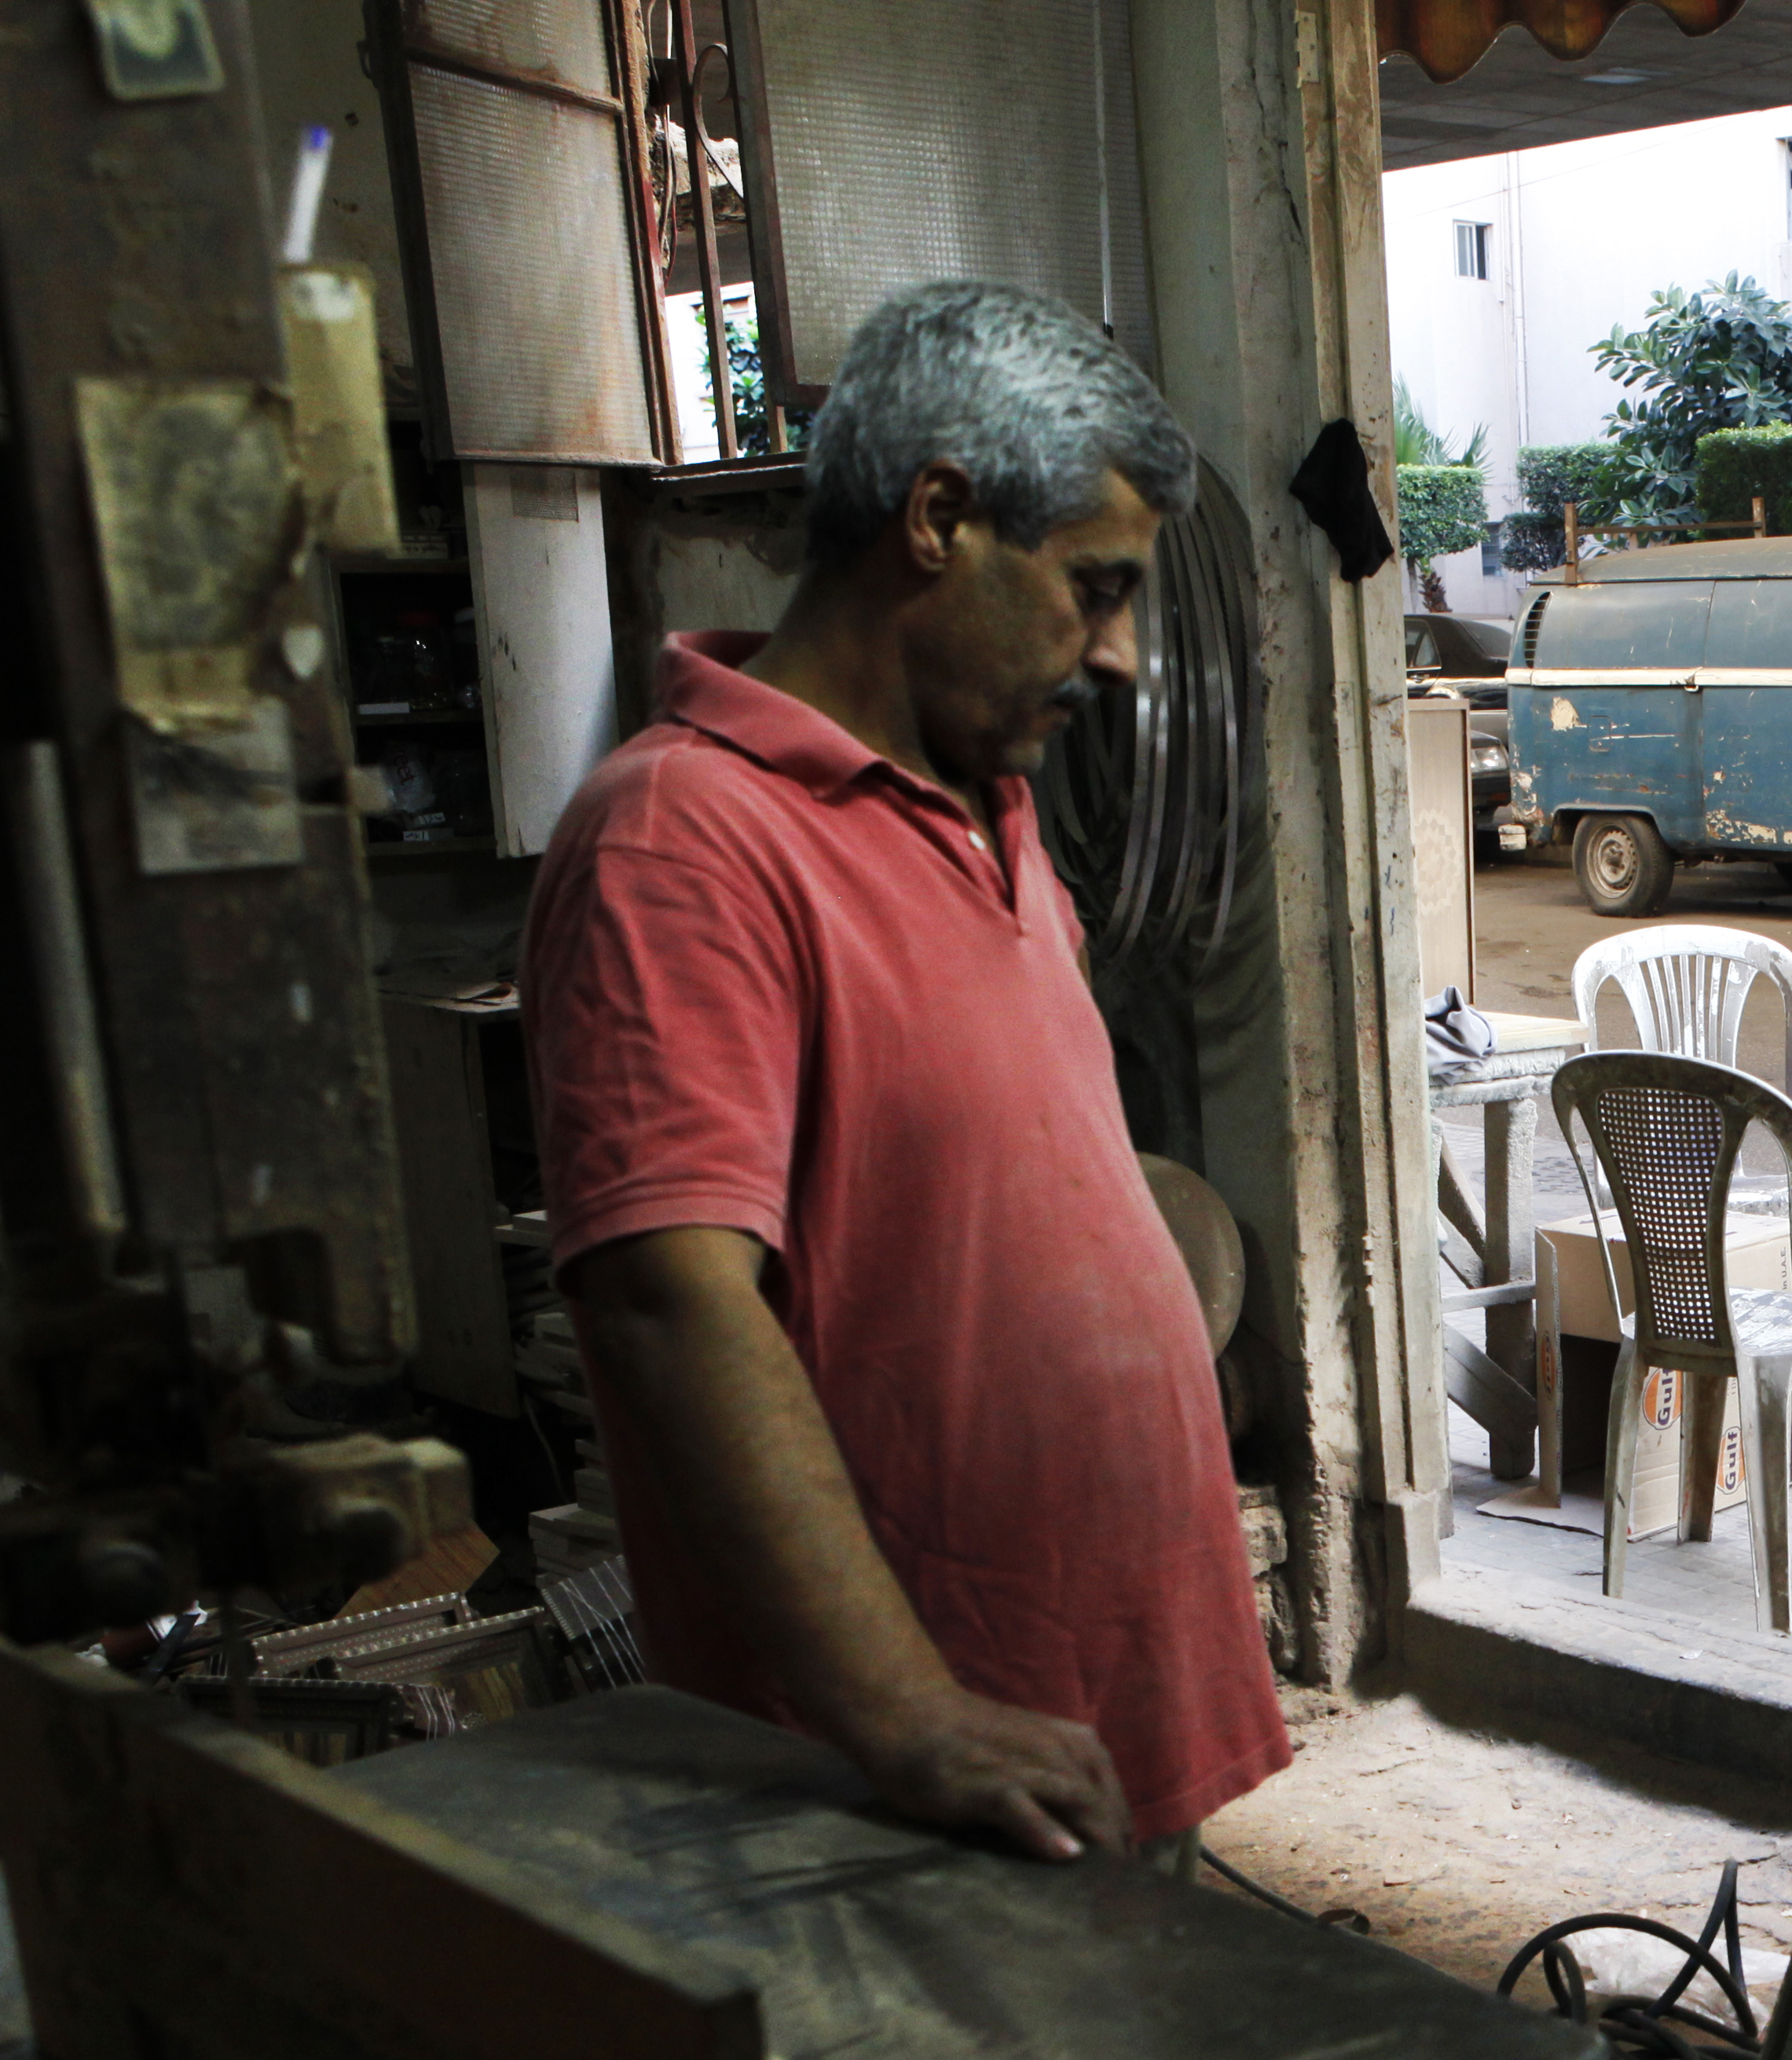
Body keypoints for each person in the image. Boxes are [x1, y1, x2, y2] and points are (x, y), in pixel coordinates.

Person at [524, 279, 1284, 1863]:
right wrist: (905, 1711)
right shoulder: (687, 838)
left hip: (1091, 1721)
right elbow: (671, 1302)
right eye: (1095, 587)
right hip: (914, 1779)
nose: (1126, 656)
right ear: (940, 518)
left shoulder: (989, 810)